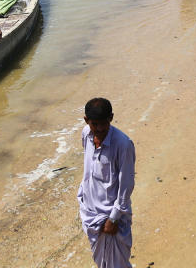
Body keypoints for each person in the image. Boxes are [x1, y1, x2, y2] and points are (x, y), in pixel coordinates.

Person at [78, 97, 135, 268]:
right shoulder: (85, 134)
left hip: (110, 217)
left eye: (104, 123)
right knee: (101, 261)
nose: (100, 128)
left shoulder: (123, 144)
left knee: (116, 264)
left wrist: (114, 218)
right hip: (91, 214)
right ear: (87, 121)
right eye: (95, 124)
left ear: (111, 118)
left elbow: (126, 185)